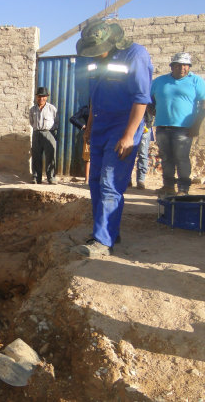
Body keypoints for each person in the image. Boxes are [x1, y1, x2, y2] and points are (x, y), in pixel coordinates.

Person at [72, 20, 153, 257]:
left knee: (110, 182)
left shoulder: (135, 55)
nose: (94, 55)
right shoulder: (95, 59)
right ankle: (108, 232)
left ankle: (102, 241)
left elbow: (141, 98)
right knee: (95, 180)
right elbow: (94, 96)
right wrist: (90, 125)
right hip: (100, 124)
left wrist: (129, 136)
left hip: (123, 125)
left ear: (112, 42)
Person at [151, 52, 205, 196]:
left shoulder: (196, 81)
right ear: (172, 66)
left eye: (185, 65)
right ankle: (168, 186)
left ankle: (183, 189)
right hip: (162, 127)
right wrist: (154, 111)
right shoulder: (159, 81)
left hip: (184, 129)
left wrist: (196, 125)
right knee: (165, 157)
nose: (182, 68)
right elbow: (149, 99)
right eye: (178, 65)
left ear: (189, 67)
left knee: (181, 158)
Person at [29, 86, 58, 184]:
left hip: (48, 133)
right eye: (39, 96)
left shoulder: (52, 108)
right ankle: (36, 177)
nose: (41, 98)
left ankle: (51, 178)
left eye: (43, 96)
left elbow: (56, 121)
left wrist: (52, 133)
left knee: (50, 156)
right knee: (36, 156)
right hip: (36, 134)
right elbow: (32, 122)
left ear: (47, 97)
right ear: (36, 97)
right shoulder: (32, 109)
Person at [70, 105, 90, 184]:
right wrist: (83, 126)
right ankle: (87, 179)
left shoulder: (103, 107)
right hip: (89, 136)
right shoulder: (86, 109)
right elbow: (73, 118)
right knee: (88, 158)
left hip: (102, 135)